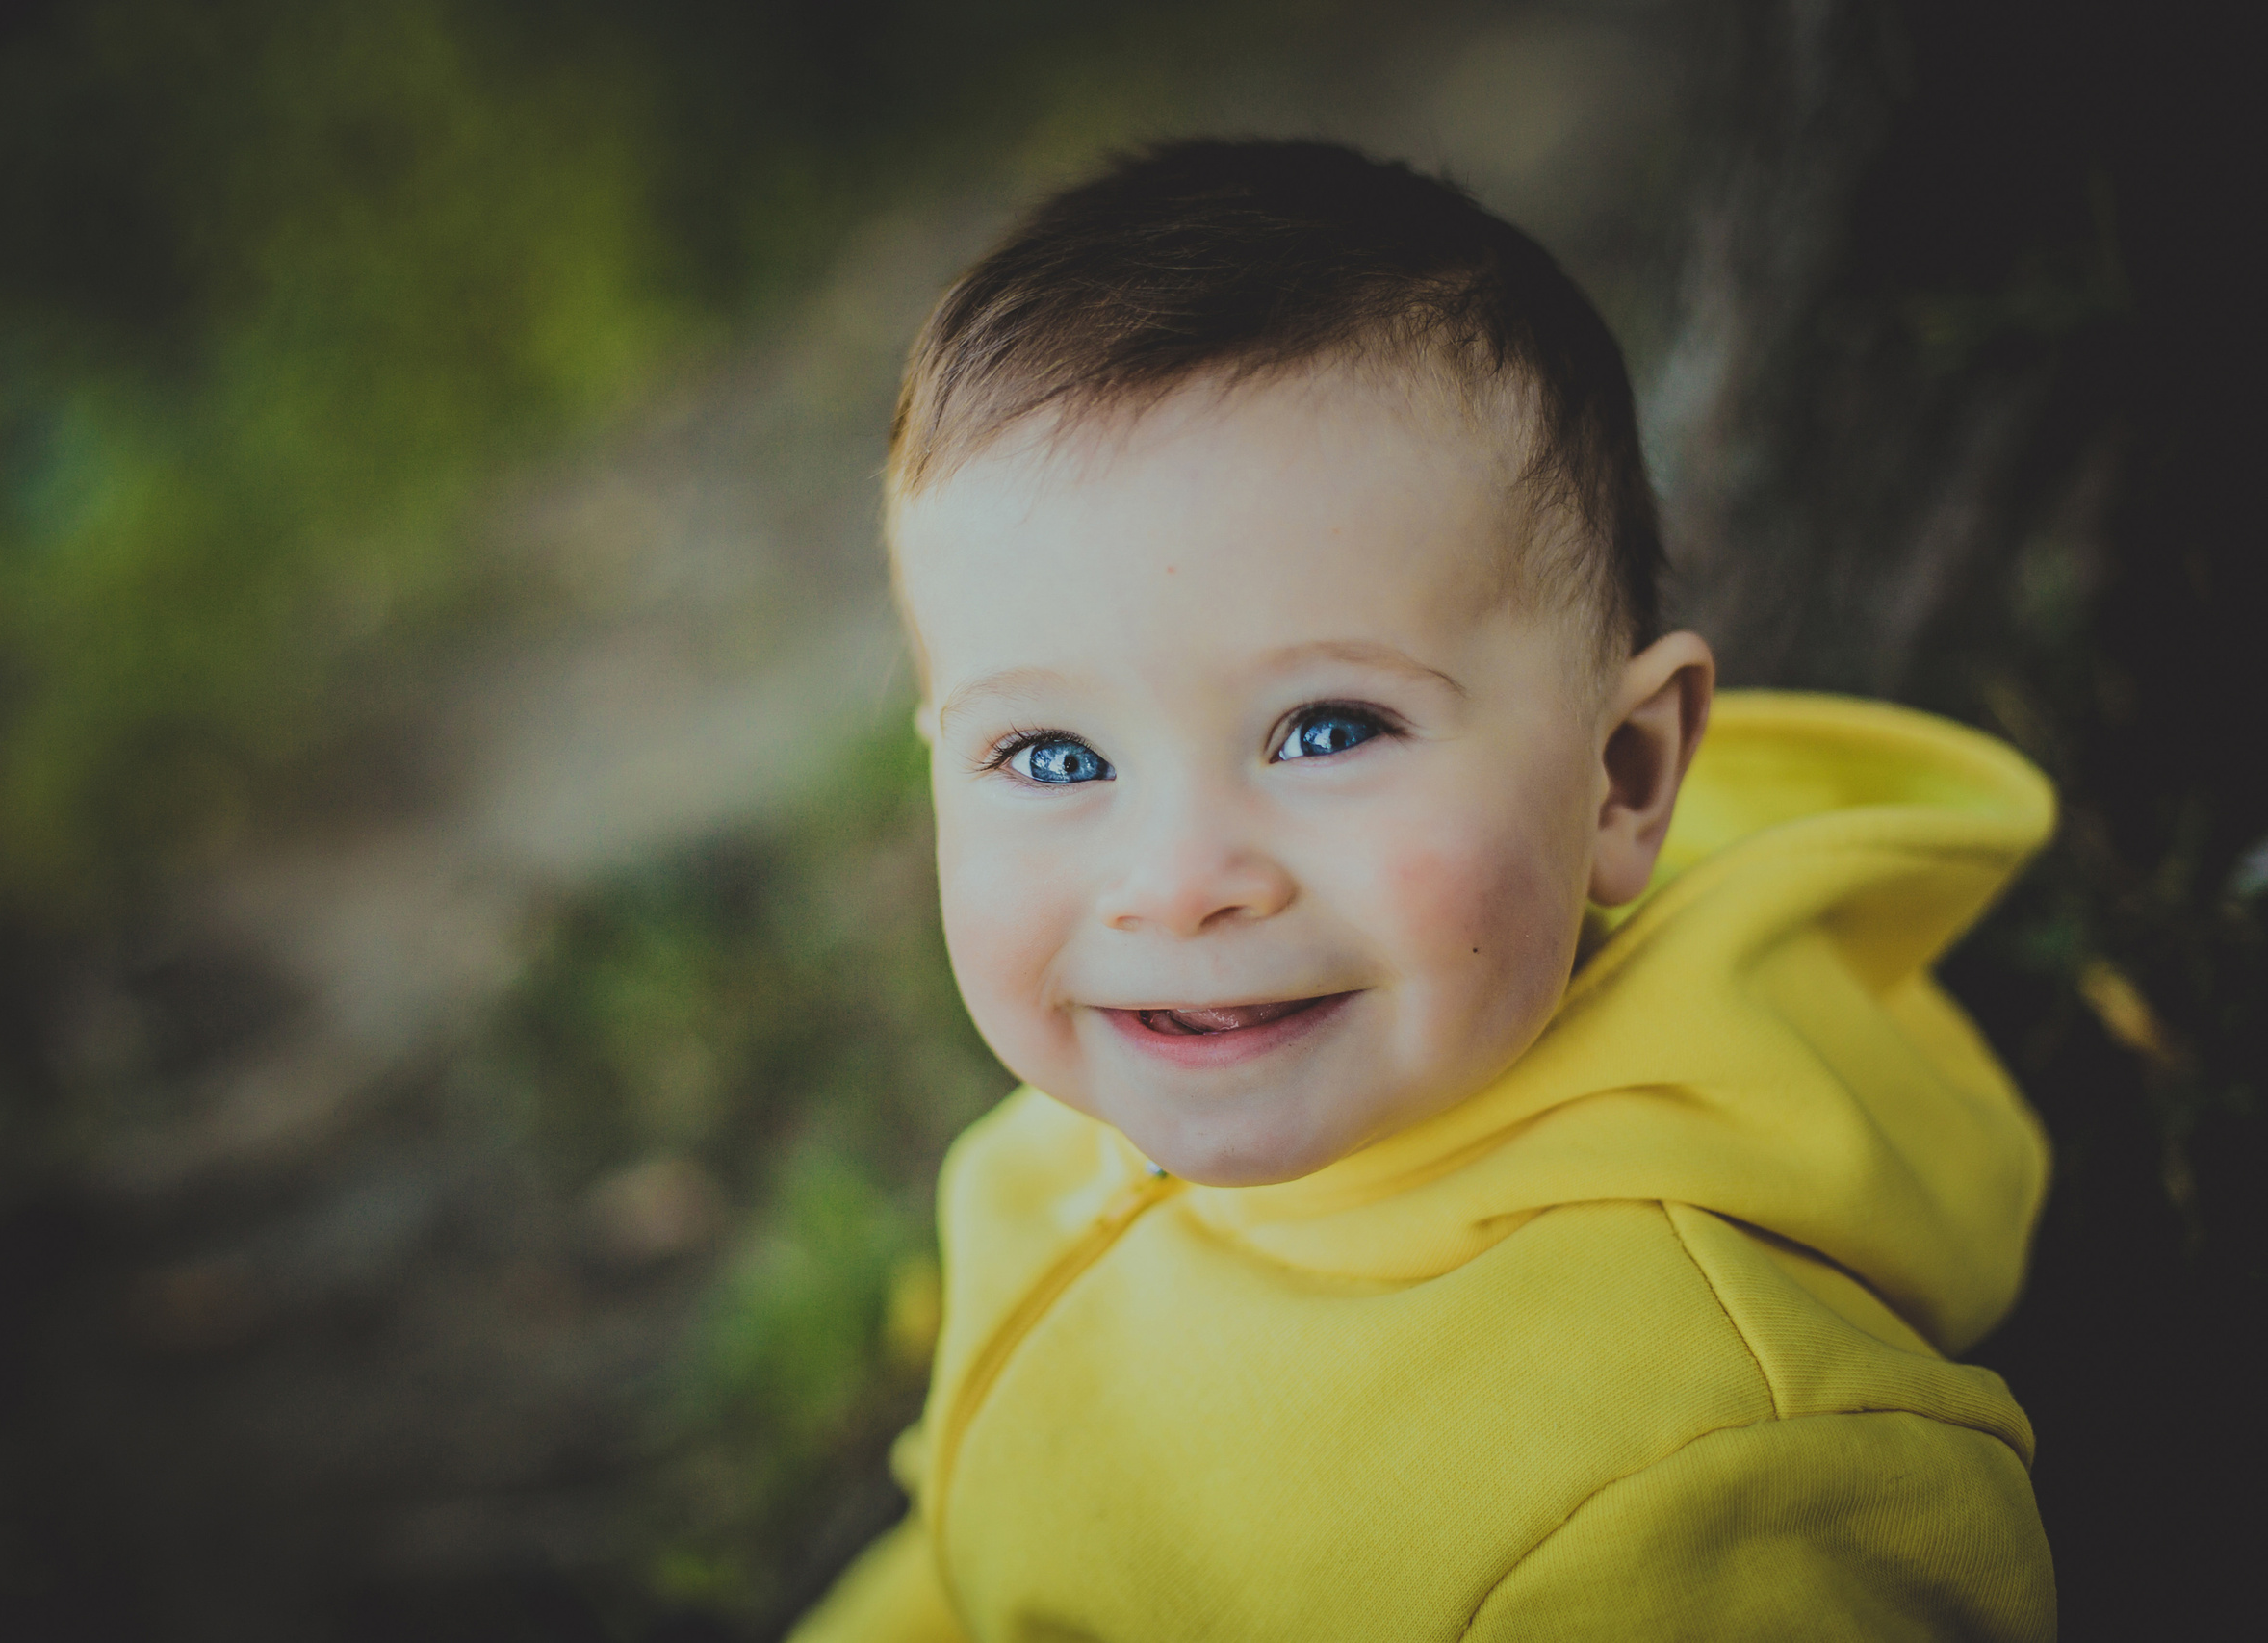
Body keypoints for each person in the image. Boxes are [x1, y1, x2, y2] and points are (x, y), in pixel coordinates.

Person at [792, 140, 2056, 1641]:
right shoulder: (1059, 1153)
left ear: (1624, 777)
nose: (1177, 884)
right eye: (1054, 756)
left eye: (1328, 730)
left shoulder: (1695, 1483)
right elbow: (966, 1546)